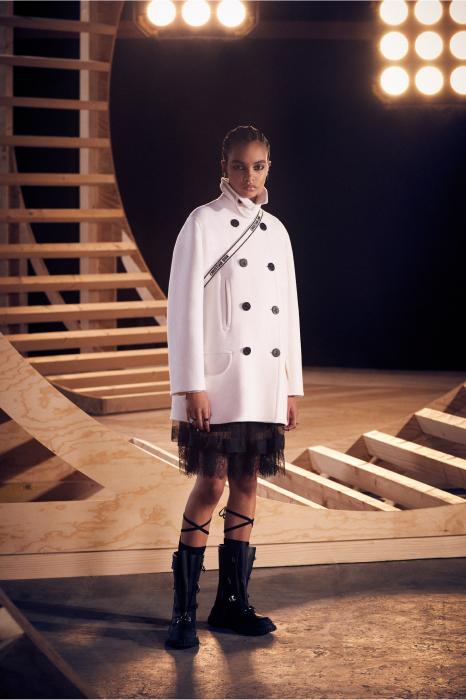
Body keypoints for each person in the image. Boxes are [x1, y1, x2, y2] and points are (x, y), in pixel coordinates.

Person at [166, 125, 303, 649]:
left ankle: (232, 604)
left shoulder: (277, 231)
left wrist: (290, 386)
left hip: (264, 380)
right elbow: (182, 310)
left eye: (259, 166)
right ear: (223, 167)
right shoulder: (201, 222)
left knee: (247, 482)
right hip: (218, 380)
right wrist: (190, 386)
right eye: (240, 166)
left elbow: (289, 314)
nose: (250, 176)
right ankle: (183, 611)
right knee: (213, 484)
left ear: (269, 168)